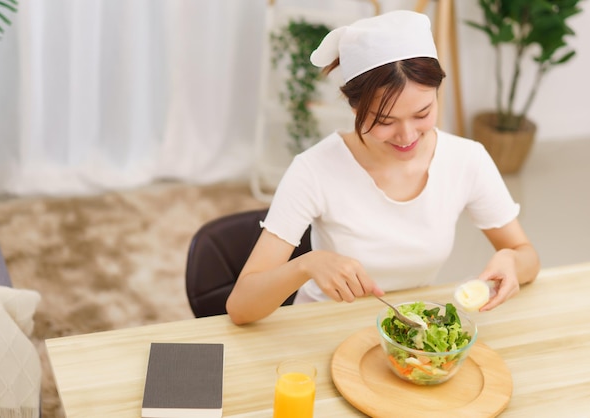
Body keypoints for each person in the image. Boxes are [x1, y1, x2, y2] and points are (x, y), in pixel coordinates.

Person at [226, 10, 540, 325]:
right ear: (354, 107)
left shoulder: (466, 160)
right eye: (384, 121)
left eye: (422, 113)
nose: (406, 136)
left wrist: (512, 260)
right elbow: (241, 307)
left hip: (409, 333)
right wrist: (305, 265)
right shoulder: (313, 170)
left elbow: (527, 256)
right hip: (321, 330)